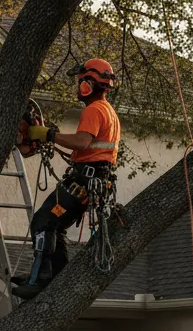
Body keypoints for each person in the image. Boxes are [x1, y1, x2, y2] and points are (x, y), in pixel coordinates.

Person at [12, 58, 121, 299]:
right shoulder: (108, 111)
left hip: (84, 181)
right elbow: (88, 147)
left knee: (43, 221)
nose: (78, 86)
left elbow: (82, 141)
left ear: (89, 83)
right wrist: (51, 137)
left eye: (81, 81)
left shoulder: (94, 110)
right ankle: (53, 278)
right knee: (56, 227)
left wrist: (50, 134)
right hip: (92, 180)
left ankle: (40, 280)